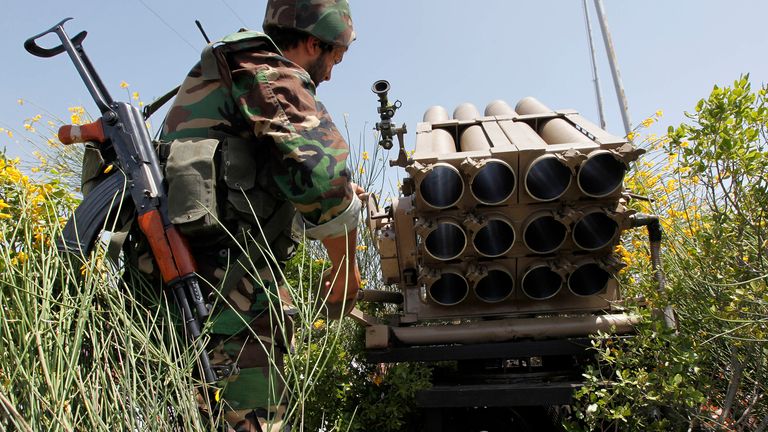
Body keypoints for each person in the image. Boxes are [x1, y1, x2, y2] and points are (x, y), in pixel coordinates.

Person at [156, 1, 362, 430]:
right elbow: (323, 175)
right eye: (335, 59)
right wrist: (345, 269)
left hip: (199, 283)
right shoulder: (267, 70)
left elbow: (252, 178)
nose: (331, 73)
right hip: (228, 291)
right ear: (311, 43)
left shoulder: (230, 71)